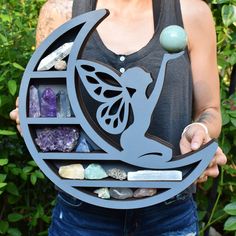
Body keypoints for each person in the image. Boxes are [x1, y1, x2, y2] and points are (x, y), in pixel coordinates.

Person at [10, 0, 227, 235]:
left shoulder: (192, 13)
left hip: (169, 212)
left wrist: (200, 133)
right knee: (161, 154)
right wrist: (35, 122)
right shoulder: (60, 12)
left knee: (164, 154)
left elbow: (210, 109)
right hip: (82, 213)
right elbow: (45, 94)